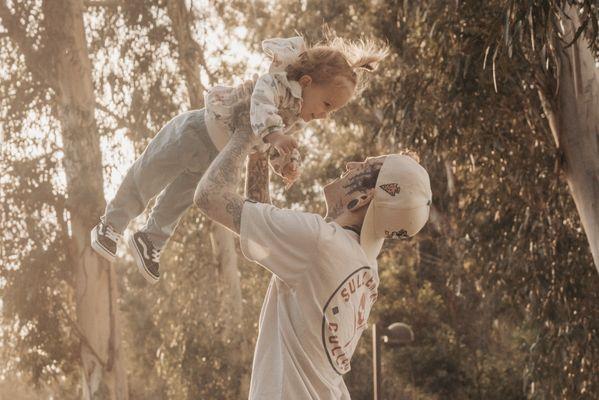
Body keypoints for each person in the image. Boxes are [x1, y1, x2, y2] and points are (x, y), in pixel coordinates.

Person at [90, 35, 388, 284]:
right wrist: (275, 136)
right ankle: (111, 225)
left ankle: (150, 239)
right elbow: (260, 107)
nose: (324, 115)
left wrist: (284, 162)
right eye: (326, 104)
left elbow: (264, 144)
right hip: (194, 131)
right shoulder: (276, 84)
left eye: (332, 111)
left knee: (177, 199)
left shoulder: (295, 118)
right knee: (148, 175)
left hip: (213, 156)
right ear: (307, 82)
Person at [193, 114, 432, 399]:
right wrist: (261, 150)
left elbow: (209, 196)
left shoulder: (319, 243)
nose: (351, 165)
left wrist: (247, 130)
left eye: (365, 167)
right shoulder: (366, 270)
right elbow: (265, 233)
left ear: (365, 197)